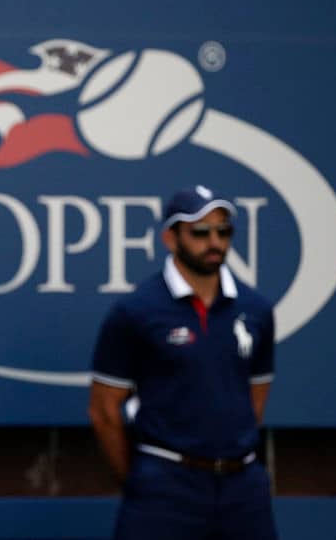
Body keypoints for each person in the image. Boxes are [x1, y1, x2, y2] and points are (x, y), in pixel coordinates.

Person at [87, 185, 277, 539]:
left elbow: (255, 400)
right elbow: (104, 411)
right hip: (165, 482)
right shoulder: (135, 311)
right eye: (201, 232)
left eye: (224, 231)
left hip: (243, 488)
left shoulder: (257, 310)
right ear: (170, 238)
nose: (214, 242)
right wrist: (144, 480)